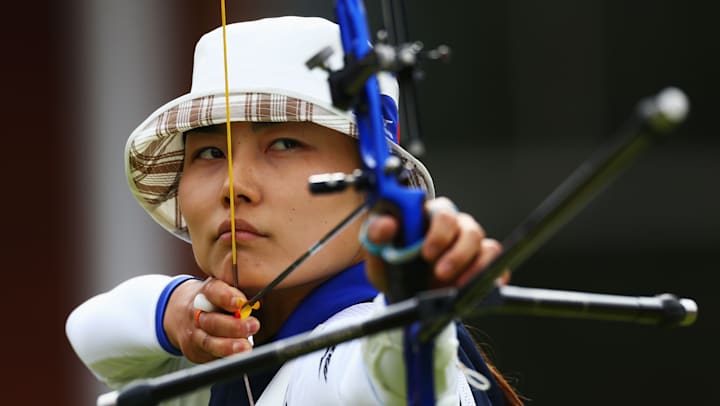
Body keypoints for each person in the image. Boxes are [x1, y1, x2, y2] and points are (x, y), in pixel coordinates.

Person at [66, 16, 522, 405]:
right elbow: (91, 334)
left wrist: (414, 305)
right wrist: (178, 313)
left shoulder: (360, 341)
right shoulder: (224, 348)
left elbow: (393, 378)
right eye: (208, 153)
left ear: (373, 186)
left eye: (285, 144)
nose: (234, 186)